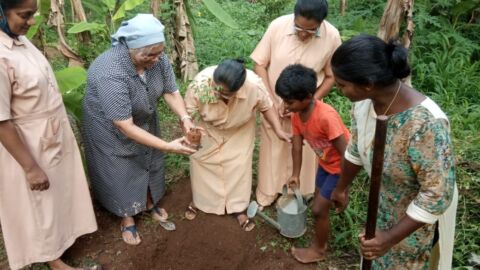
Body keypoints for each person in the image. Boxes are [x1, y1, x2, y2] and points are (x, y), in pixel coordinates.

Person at [330, 34, 458, 269]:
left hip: (413, 222)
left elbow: (436, 195)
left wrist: (389, 238)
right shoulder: (364, 103)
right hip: (380, 204)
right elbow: (356, 149)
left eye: (341, 85)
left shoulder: (425, 124)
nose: (338, 90)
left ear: (367, 83)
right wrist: (341, 187)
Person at [0, 0, 99, 269]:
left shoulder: (18, 40)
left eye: (33, 15)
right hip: (27, 142)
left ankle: (61, 241)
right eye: (25, 15)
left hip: (49, 133)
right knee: (39, 201)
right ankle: (53, 260)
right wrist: (30, 167)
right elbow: (1, 121)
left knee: (56, 191)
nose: (31, 22)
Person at [82, 14, 196, 246]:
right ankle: (126, 216)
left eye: (159, 53)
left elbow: (171, 91)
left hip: (142, 118)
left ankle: (148, 201)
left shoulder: (158, 58)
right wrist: (167, 146)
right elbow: (124, 125)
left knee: (149, 159)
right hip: (109, 127)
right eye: (149, 55)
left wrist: (185, 118)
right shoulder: (110, 71)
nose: (155, 59)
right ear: (130, 49)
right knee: (119, 168)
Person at [250, 0, 342, 207]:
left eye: (310, 31)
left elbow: (330, 77)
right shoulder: (277, 26)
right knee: (273, 146)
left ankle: (301, 191)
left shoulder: (332, 36)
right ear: (294, 17)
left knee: (307, 150)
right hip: (274, 104)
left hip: (307, 109)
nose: (302, 34)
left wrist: (307, 103)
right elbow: (260, 65)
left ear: (321, 23)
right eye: (298, 27)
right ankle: (269, 191)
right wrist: (272, 101)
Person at [183, 59, 291, 231]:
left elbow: (266, 107)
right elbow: (187, 113)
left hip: (239, 130)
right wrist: (191, 132)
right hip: (207, 129)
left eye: (225, 94)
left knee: (238, 167)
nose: (218, 95)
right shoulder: (200, 83)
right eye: (216, 90)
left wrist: (278, 130)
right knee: (202, 164)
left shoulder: (254, 85)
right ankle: (201, 201)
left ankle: (238, 208)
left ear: (239, 88)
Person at [275, 64, 350, 263]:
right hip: (325, 165)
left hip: (340, 167)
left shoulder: (326, 117)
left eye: (289, 101)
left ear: (308, 96)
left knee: (318, 209)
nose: (285, 105)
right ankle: (321, 234)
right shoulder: (298, 114)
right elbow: (297, 146)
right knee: (319, 201)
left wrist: (342, 188)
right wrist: (295, 174)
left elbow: (347, 155)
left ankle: (320, 250)